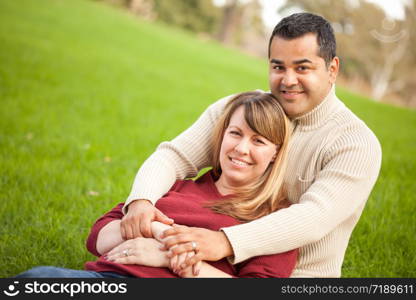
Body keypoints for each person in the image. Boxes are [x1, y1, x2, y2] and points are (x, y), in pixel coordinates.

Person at [120, 13, 382, 277]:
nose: (288, 80)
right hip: (206, 270)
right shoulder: (239, 110)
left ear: (332, 69)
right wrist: (142, 199)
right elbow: (173, 157)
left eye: (302, 68)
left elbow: (314, 217)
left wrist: (224, 241)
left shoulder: (356, 143)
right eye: (278, 67)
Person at [16, 91, 298, 278]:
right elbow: (99, 236)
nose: (241, 148)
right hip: (106, 279)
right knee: (38, 279)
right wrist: (159, 229)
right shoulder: (176, 187)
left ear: (275, 153)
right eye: (235, 133)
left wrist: (168, 258)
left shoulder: (274, 221)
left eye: (258, 141)